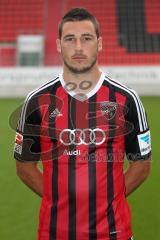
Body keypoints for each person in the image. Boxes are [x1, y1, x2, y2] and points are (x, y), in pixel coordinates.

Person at [14, 7, 151, 240]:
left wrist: (108, 198)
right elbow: (24, 167)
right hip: (54, 232)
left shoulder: (127, 100)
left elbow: (141, 165)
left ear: (99, 43)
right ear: (58, 45)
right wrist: (60, 197)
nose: (78, 47)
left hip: (113, 232)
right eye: (70, 39)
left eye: (86, 38)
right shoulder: (36, 102)